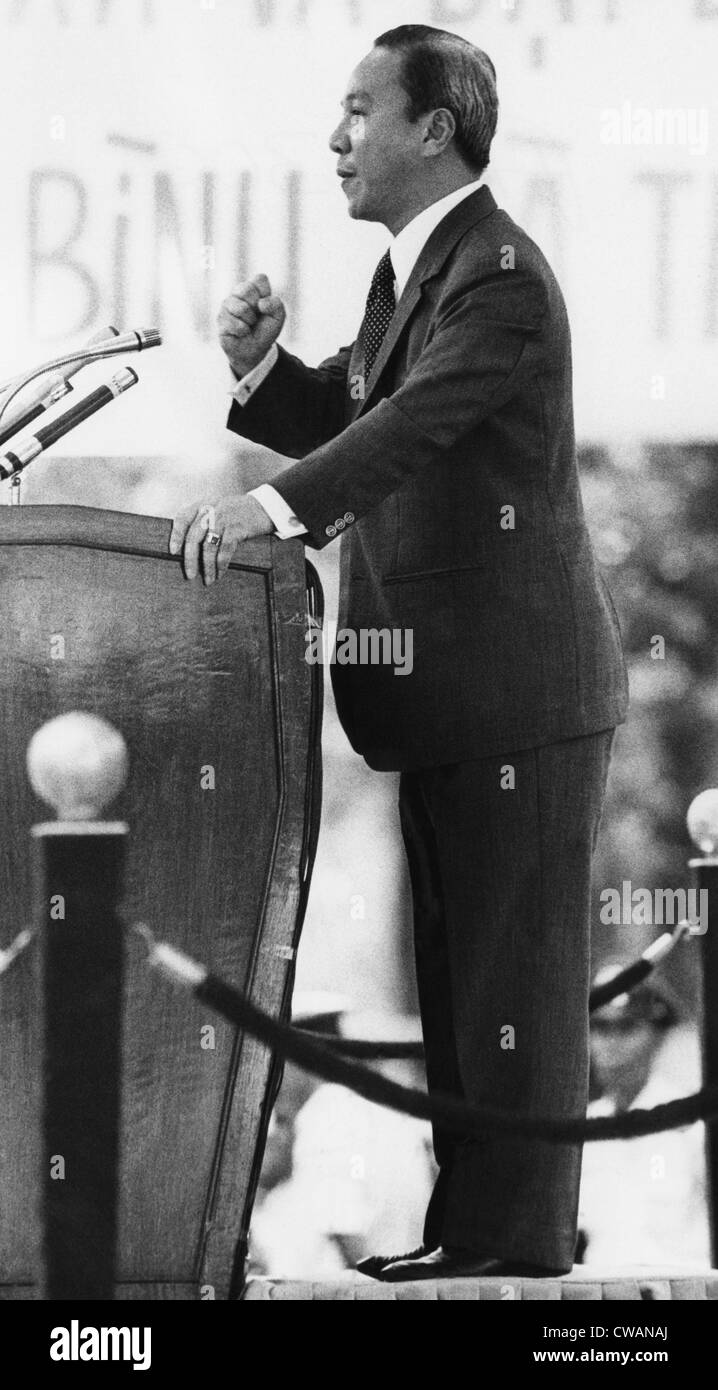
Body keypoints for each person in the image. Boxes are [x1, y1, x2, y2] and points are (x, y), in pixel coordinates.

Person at [170, 24, 628, 1280]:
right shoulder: (418, 276)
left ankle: (511, 1256)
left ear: (436, 128)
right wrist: (263, 374)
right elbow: (365, 417)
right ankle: (471, 1240)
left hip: (519, 699)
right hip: (454, 699)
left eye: (360, 110)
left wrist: (264, 509)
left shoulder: (499, 277)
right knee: (463, 983)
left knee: (513, 990)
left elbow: (413, 428)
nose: (335, 138)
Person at [578, 965, 709, 1268]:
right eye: (599, 1028)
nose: (610, 1045)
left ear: (657, 1036)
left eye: (626, 1028)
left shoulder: (692, 1122)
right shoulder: (580, 1128)